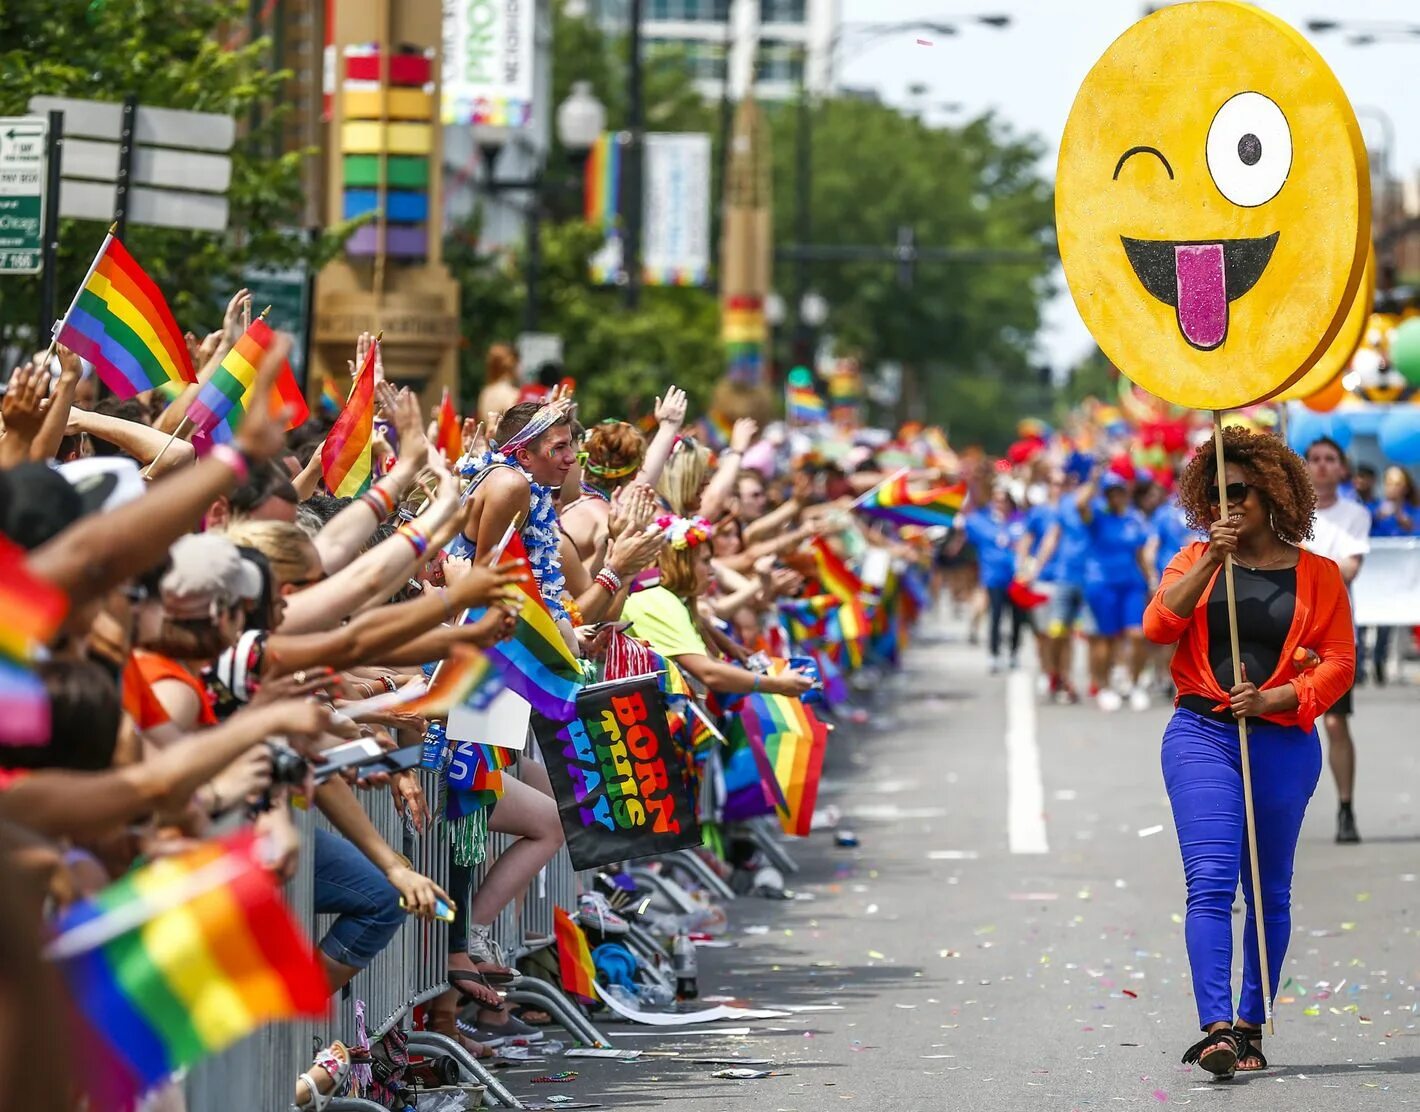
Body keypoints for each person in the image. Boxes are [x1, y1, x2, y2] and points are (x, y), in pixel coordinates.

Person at [1145, 426, 1353, 1079]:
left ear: (1272, 495)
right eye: (1214, 495)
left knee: (1268, 892)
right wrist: (1212, 558)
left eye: (1237, 493)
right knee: (1209, 882)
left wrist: (1281, 698)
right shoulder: (1192, 558)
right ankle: (1215, 1032)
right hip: (1202, 735)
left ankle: (1249, 1022)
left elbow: (1342, 663)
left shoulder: (1317, 575)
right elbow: (1158, 625)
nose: (1224, 506)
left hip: (1282, 741)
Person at [1301, 436, 1370, 843]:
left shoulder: (1354, 514)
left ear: (1341, 468)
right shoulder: (1289, 512)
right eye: (1315, 459)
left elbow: (1348, 569)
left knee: (1334, 721)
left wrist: (1301, 561)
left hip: (1332, 631)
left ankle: (1345, 807)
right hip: (1288, 627)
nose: (1323, 466)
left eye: (1330, 460)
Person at [1077, 468, 1154, 711]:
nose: (1116, 497)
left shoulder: (1134, 518)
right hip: (1102, 583)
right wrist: (1093, 480)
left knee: (1138, 635)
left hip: (1131, 583)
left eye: (1119, 492)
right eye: (1111, 493)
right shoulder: (1098, 516)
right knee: (1106, 639)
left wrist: (1152, 580)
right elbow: (1080, 504)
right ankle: (1104, 686)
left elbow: (1140, 554)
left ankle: (1133, 684)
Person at [1361, 465, 1417, 686]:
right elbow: (1364, 531)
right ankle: (1362, 664)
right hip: (1374, 575)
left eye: (1398, 483)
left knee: (1388, 623)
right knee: (1365, 618)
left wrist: (1405, 520)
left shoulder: (1413, 510)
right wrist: (1375, 516)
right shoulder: (1374, 508)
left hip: (1400, 576)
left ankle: (1380, 661)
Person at [962, 486, 1027, 673]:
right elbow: (966, 521)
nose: (999, 504)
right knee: (996, 616)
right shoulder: (983, 521)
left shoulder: (1019, 522)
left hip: (1017, 578)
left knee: (1017, 618)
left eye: (1003, 500)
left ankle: (1014, 652)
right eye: (996, 500)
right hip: (993, 577)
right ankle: (994, 654)